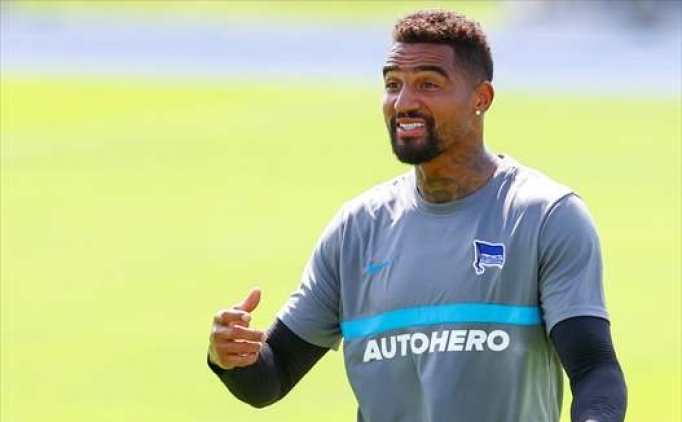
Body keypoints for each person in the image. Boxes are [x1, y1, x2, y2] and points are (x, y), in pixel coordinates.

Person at [207, 9, 627, 422]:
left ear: (481, 99)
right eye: (393, 84)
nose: (403, 102)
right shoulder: (357, 229)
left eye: (428, 84)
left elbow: (595, 370)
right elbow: (273, 375)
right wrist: (231, 358)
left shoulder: (544, 216)